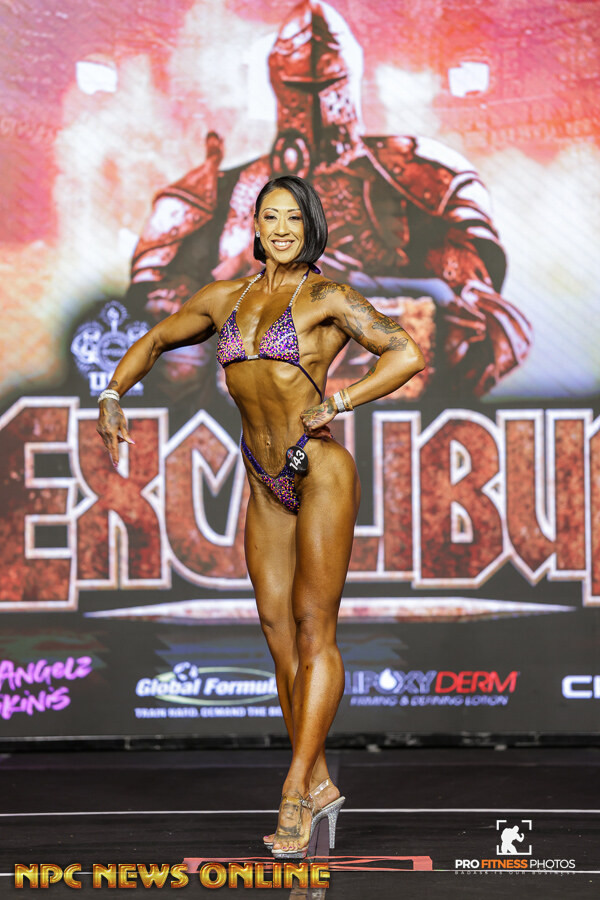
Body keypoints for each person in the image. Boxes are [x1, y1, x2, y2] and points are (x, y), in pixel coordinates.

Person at [97, 175, 425, 858]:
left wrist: (343, 401)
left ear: (311, 226)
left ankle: (294, 791)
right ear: (253, 226)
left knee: (313, 630)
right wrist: (112, 393)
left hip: (319, 469)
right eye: (269, 216)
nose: (280, 229)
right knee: (279, 637)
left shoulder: (327, 297)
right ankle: (321, 781)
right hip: (262, 477)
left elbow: (406, 352)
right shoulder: (226, 298)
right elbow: (155, 340)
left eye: (293, 218)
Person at [126, 0, 530, 402]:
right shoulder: (226, 189)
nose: (316, 100)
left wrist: (459, 309)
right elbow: (157, 307)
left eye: (327, 84)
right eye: (301, 87)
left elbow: (480, 300)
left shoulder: (417, 174)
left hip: (390, 393)